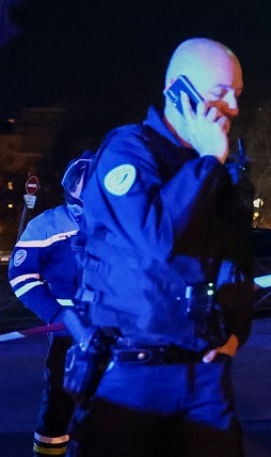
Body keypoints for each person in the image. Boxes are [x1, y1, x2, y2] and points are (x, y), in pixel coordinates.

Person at [68, 38, 254, 456]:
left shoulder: (217, 165)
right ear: (178, 90)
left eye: (237, 95)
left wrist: (236, 336)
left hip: (204, 373)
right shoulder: (129, 151)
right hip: (131, 373)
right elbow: (158, 238)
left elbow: (237, 259)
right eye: (219, 92)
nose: (233, 108)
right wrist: (208, 163)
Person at [8, 155, 92, 456]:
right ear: (72, 186)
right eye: (86, 178)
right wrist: (58, 314)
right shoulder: (48, 224)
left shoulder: (122, 222)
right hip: (67, 332)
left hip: (115, 329)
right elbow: (20, 276)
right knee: (59, 400)